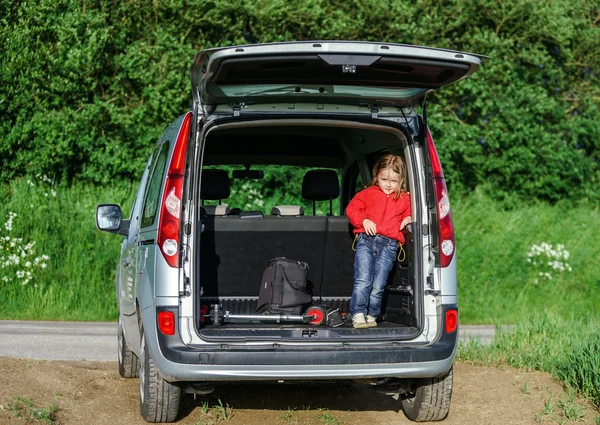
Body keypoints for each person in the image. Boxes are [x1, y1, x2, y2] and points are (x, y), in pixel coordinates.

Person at [346, 154, 412, 329]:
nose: (388, 185)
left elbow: (409, 213)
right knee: (362, 280)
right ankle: (358, 314)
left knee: (379, 284)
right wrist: (364, 220)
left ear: (401, 180)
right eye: (384, 179)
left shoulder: (406, 198)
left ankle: (372, 315)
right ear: (376, 176)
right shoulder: (367, 194)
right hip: (366, 241)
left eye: (394, 181)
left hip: (390, 245)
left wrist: (408, 218)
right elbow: (352, 209)